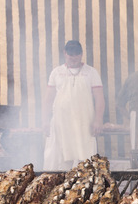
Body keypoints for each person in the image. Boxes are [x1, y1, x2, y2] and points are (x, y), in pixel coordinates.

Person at [43, 40, 105, 171]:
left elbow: (99, 98)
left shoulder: (91, 72)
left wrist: (98, 120)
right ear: (65, 53)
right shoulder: (57, 72)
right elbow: (48, 99)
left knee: (86, 159)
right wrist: (45, 120)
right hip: (61, 122)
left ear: (81, 54)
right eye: (71, 54)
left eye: (76, 54)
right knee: (63, 157)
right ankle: (61, 186)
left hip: (84, 122)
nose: (73, 57)